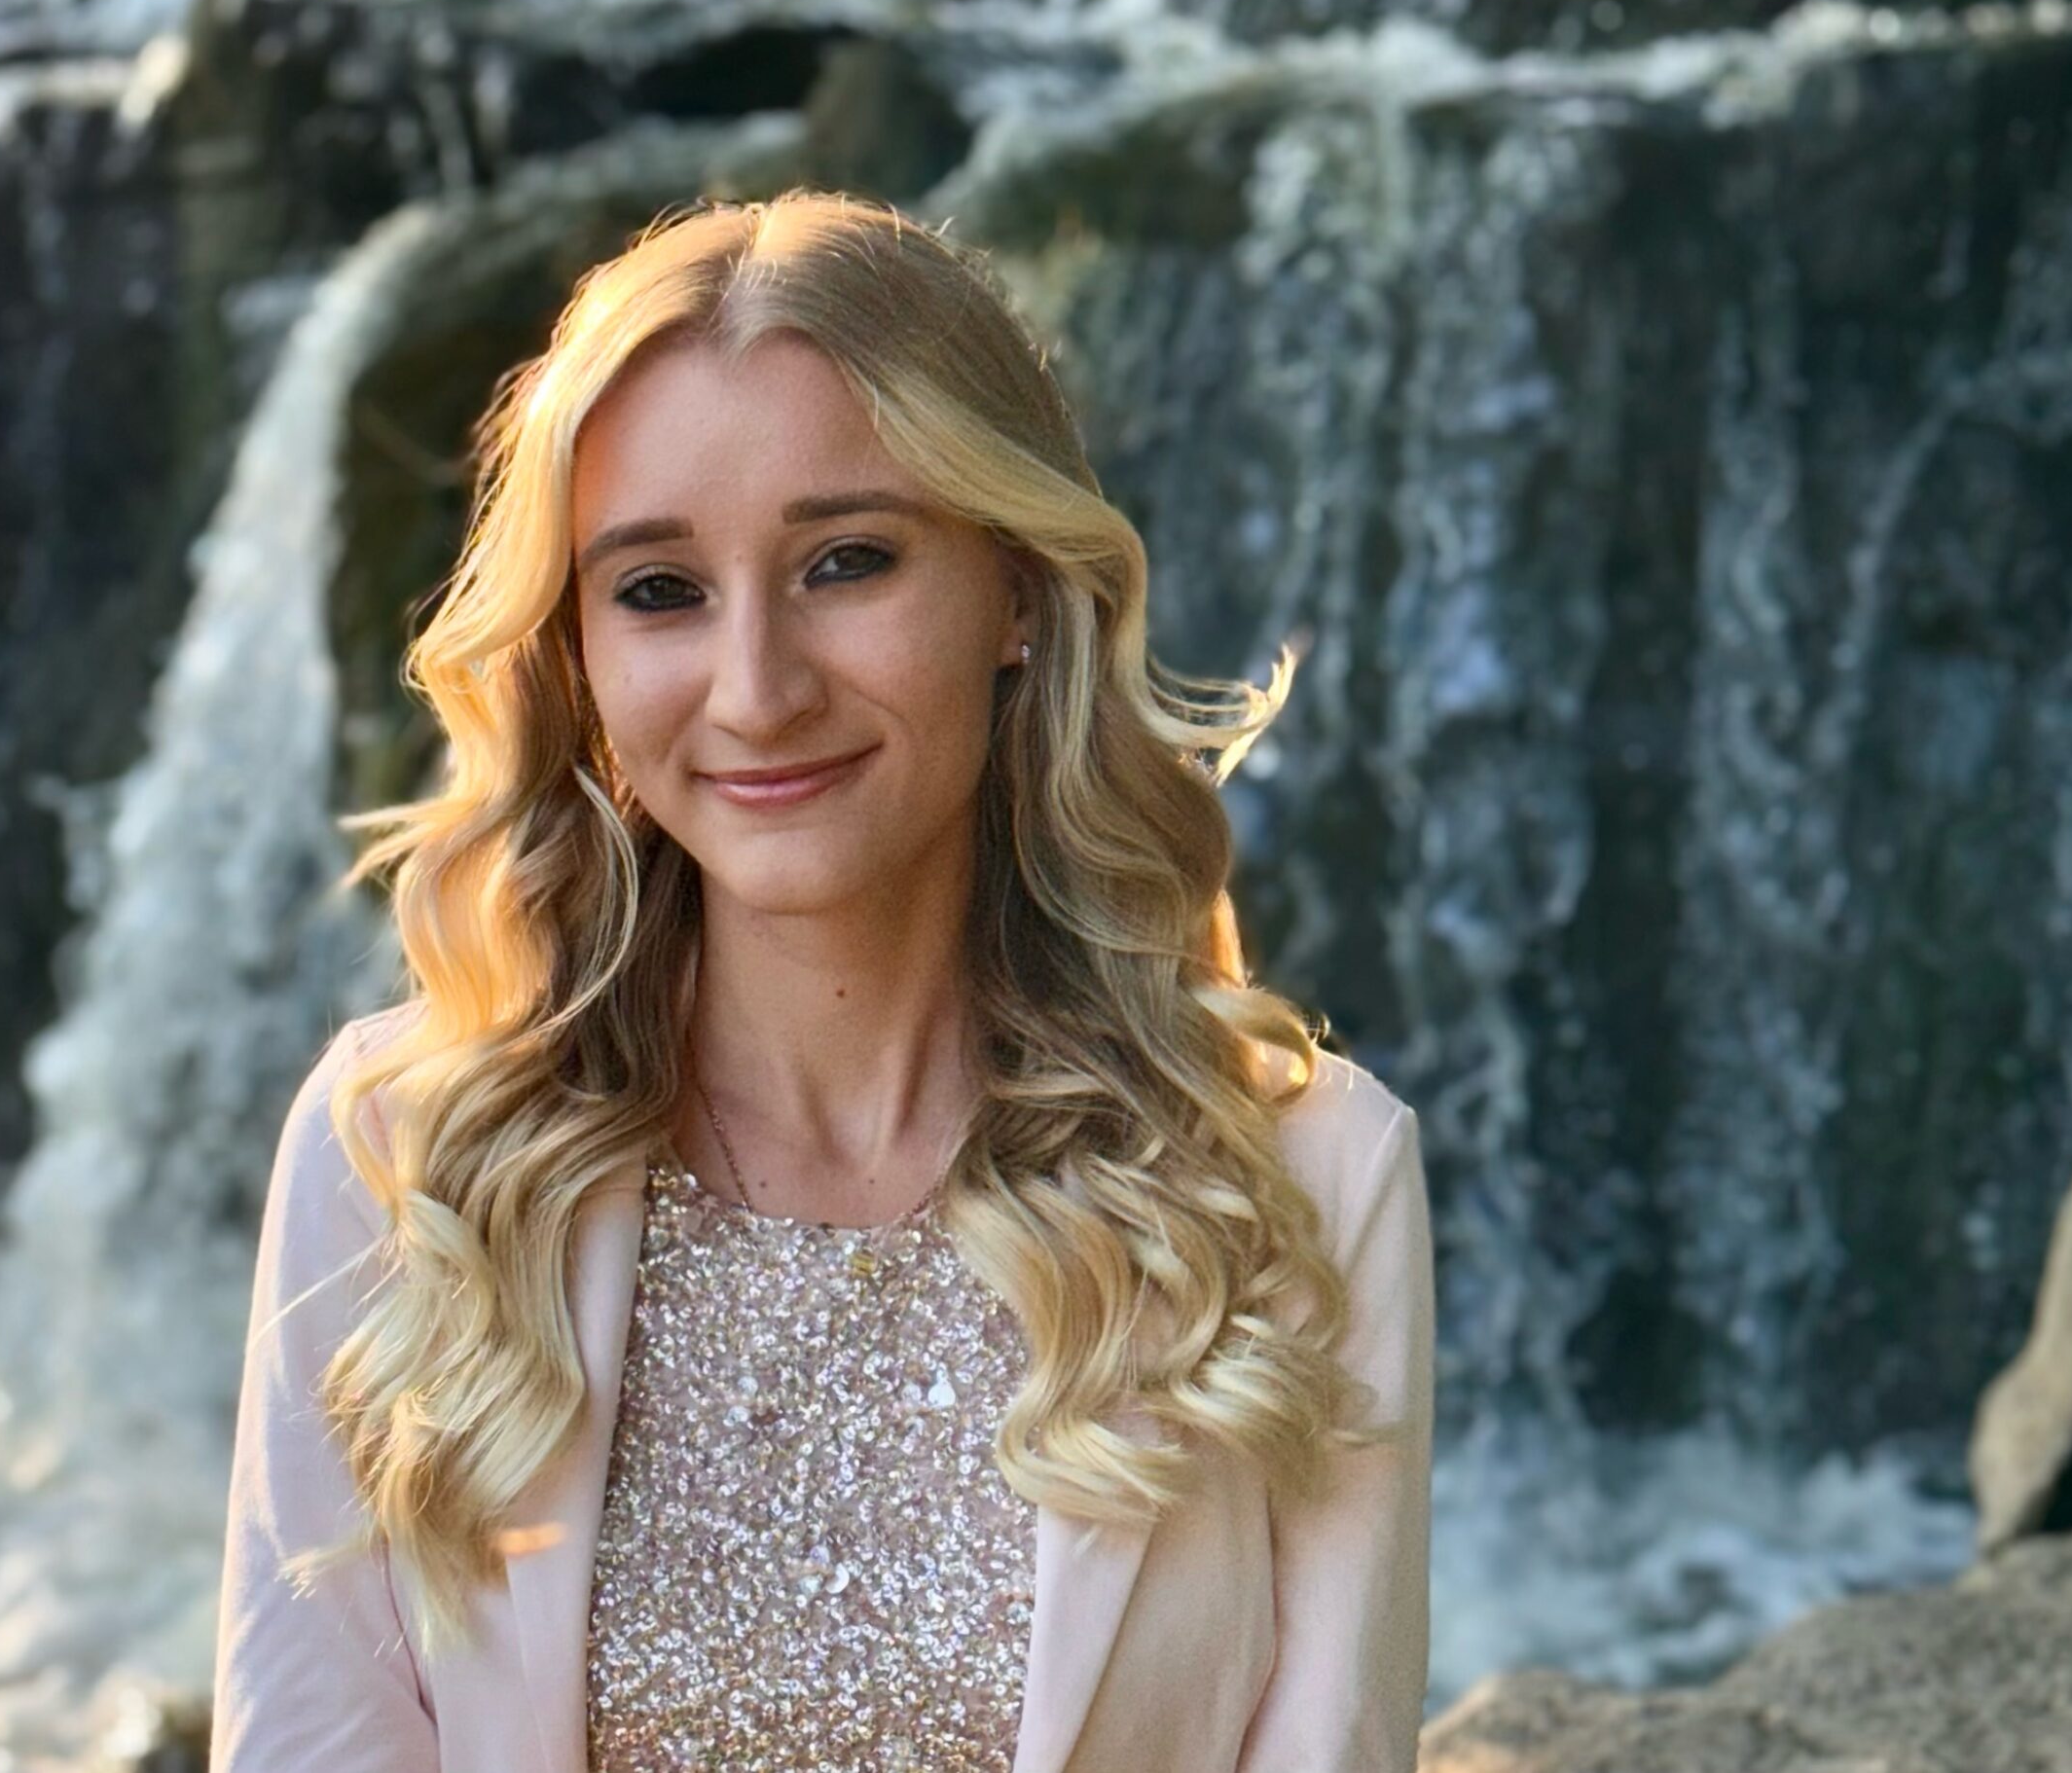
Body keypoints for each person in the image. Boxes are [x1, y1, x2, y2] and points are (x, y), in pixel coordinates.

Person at [212, 190, 1436, 1772]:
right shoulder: (398, 1162)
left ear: (1014, 589)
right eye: (658, 590)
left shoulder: (1310, 1185)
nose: (758, 689)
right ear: (574, 653)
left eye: (847, 561)